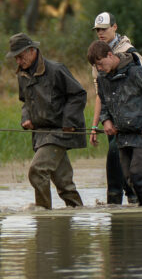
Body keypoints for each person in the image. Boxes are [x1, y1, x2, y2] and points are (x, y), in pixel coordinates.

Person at [87, 39, 142, 205]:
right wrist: (105, 120)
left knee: (137, 175)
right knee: (129, 179)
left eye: (100, 63)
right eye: (95, 66)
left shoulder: (136, 72)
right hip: (122, 136)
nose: (99, 68)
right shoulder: (102, 78)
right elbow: (104, 101)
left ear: (110, 55)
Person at [8, 32, 87, 209]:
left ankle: (43, 215)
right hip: (41, 135)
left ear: (31, 50)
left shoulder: (56, 70)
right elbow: (25, 102)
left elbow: (78, 95)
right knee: (64, 185)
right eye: (15, 58)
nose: (18, 62)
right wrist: (26, 117)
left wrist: (69, 122)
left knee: (37, 171)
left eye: (20, 57)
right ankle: (79, 214)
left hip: (60, 133)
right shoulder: (22, 75)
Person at [91, 12, 142, 204]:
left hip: (131, 118)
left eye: (104, 29)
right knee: (118, 160)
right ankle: (122, 203)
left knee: (118, 157)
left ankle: (123, 200)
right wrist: (95, 124)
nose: (100, 33)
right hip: (110, 119)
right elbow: (100, 94)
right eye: (97, 30)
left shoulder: (131, 53)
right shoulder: (97, 56)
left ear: (115, 27)